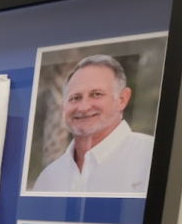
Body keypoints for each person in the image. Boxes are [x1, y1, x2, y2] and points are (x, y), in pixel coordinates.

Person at [33, 54, 154, 194]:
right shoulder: (49, 178)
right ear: (63, 107)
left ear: (122, 99)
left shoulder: (151, 157)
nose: (83, 107)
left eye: (96, 94)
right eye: (75, 98)